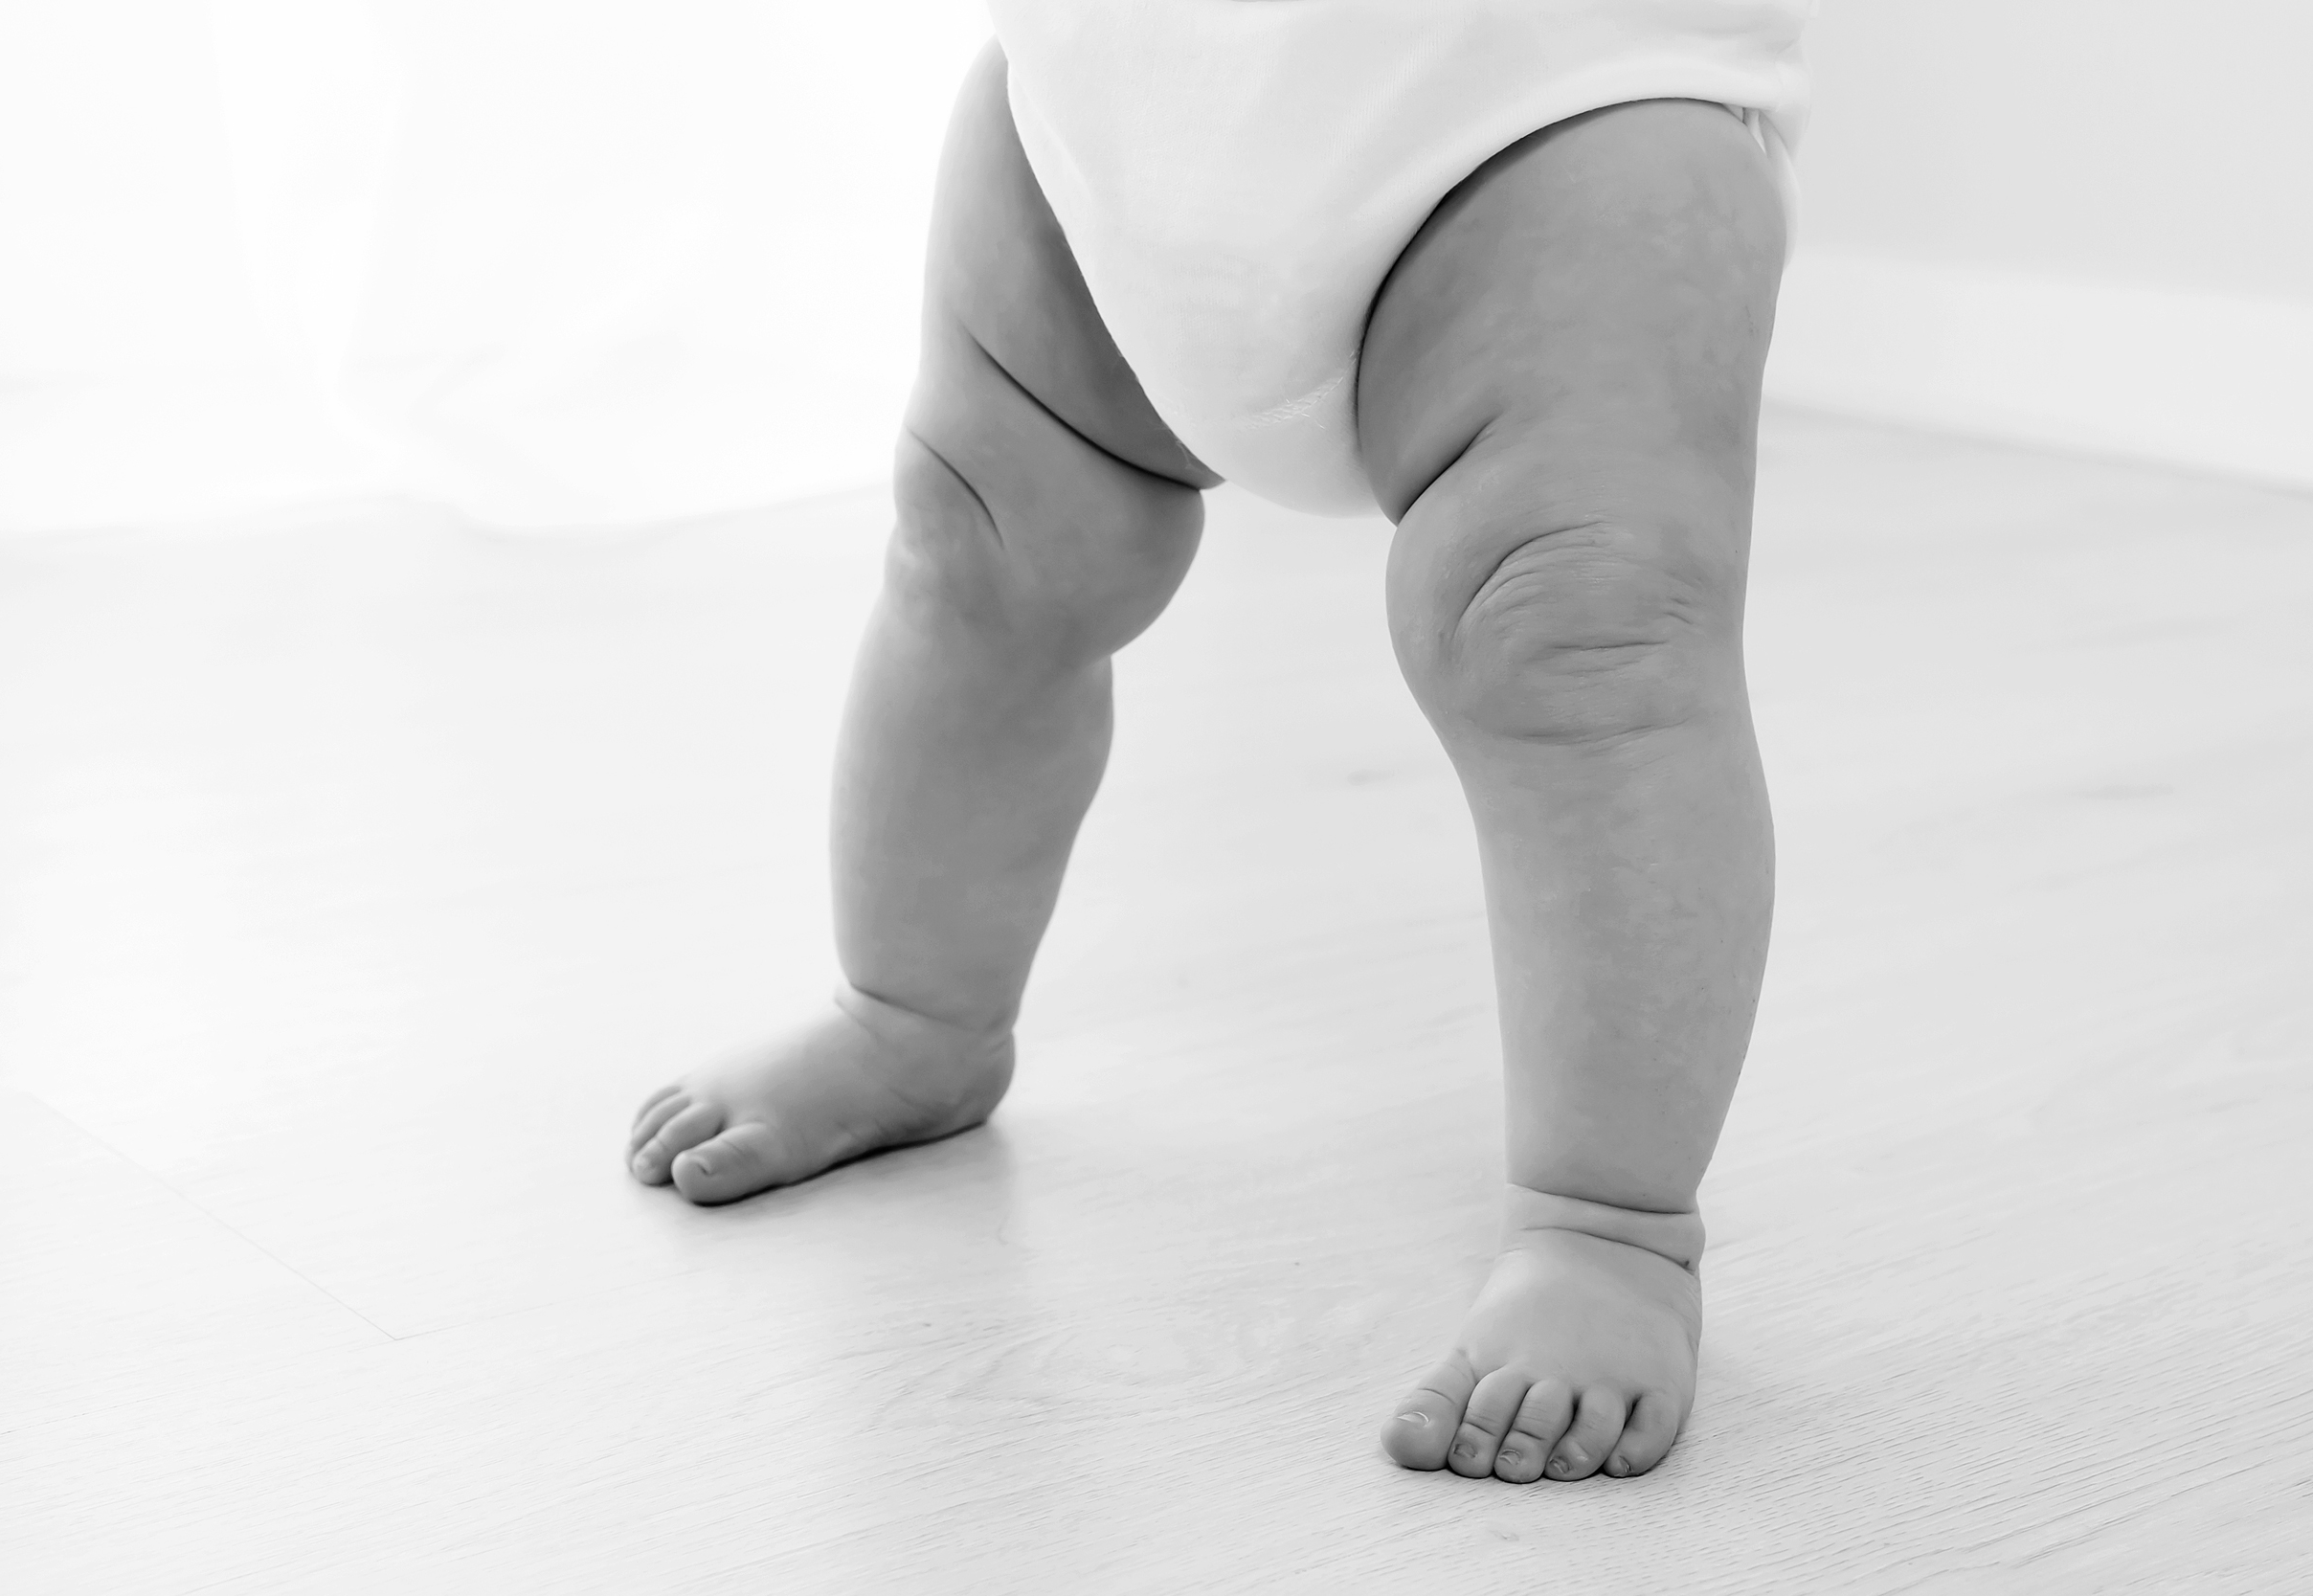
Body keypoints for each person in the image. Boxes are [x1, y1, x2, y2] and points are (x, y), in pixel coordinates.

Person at [628, 0, 1809, 1485]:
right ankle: (913, 1018)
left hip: (1548, 104)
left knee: (1572, 632)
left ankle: (1611, 1228)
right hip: (1114, 113)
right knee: (983, 557)